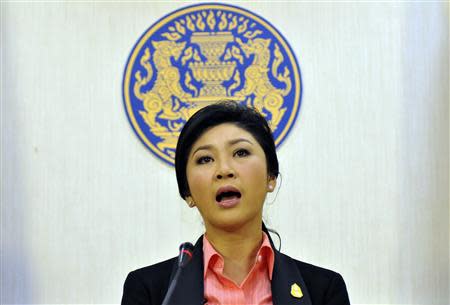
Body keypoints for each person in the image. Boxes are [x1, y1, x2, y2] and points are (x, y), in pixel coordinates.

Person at [121, 101, 350, 305]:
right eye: (205, 159)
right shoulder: (149, 291)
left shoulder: (323, 290)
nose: (224, 170)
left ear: (270, 177)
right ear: (188, 192)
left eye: (240, 153)